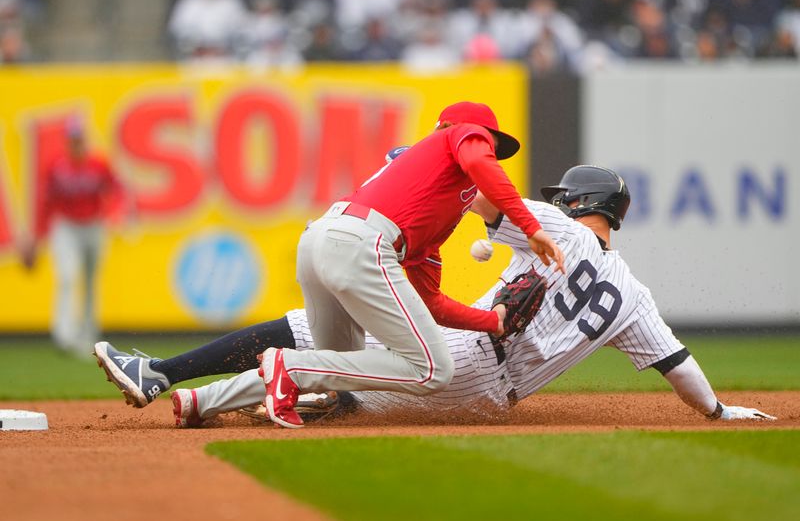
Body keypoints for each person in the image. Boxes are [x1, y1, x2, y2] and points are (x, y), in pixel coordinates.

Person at [94, 164, 774, 427]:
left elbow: (478, 194)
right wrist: (716, 410)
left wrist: (410, 169)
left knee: (309, 337)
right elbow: (677, 366)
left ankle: (170, 377)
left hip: (462, 348)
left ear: (577, 202)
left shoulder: (559, 225)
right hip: (487, 396)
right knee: (343, 387)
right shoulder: (634, 296)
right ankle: (203, 398)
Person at [265, 101, 564, 428]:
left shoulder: (424, 230)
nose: (490, 149)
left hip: (320, 237)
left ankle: (204, 400)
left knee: (339, 371)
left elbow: (431, 301)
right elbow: (479, 161)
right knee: (431, 368)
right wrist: (531, 228)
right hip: (358, 241)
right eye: (490, 142)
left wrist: (492, 322)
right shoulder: (461, 133)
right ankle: (291, 366)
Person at [22, 117, 126, 357]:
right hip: (66, 225)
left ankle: (88, 335)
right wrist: (36, 238)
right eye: (72, 140)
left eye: (79, 139)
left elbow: (116, 189)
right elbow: (45, 204)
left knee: (90, 280)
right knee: (67, 276)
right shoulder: (57, 166)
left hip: (94, 224)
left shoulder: (98, 164)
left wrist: (114, 212)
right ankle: (64, 335)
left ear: (85, 140)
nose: (76, 144)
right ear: (67, 142)